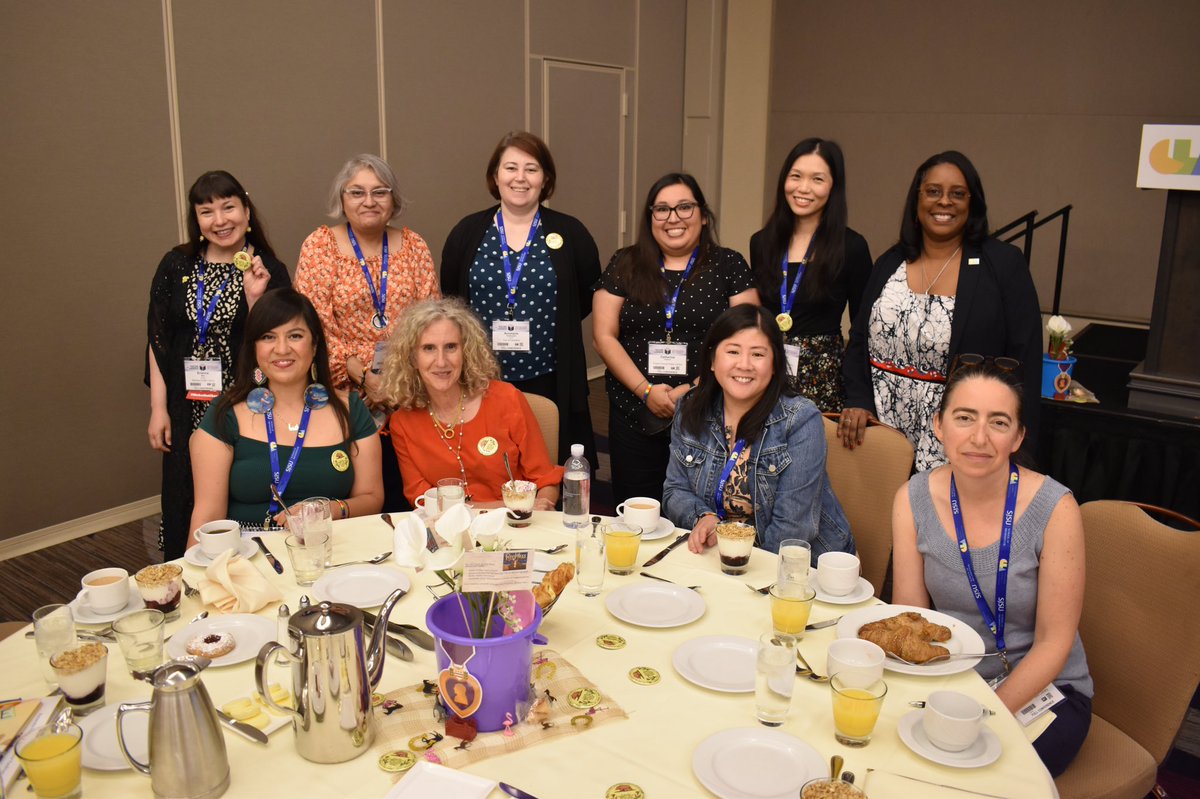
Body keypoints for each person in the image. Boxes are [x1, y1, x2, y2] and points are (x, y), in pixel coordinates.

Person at [891, 359, 1091, 777]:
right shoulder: (912, 498)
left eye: (998, 423)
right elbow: (912, 618)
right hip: (949, 683)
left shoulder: (1056, 508)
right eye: (964, 418)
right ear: (939, 425)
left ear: (1017, 436)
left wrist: (979, 713)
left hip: (1043, 691)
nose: (979, 438)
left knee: (971, 780)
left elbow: (1055, 643)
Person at [840, 151, 1042, 471]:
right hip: (880, 440)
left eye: (957, 193)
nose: (944, 201)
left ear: (972, 203)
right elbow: (859, 341)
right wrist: (858, 401)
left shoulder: (1003, 264)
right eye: (933, 191)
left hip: (962, 447)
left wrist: (1017, 448)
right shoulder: (890, 262)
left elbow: (1026, 362)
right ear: (917, 200)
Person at [146, 170, 290, 559]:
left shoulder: (267, 269)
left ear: (246, 210)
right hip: (185, 402)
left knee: (238, 486)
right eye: (207, 211)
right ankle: (187, 568)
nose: (220, 220)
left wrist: (254, 295)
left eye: (229, 207)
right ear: (197, 219)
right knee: (184, 492)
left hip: (243, 403)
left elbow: (277, 342)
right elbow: (158, 341)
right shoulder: (176, 265)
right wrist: (158, 408)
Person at [593, 173, 758, 505]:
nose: (673, 218)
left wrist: (692, 389)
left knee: (701, 509)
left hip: (707, 410)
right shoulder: (625, 263)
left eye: (684, 207)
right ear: (650, 217)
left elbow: (747, 341)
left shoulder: (729, 265)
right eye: (662, 209)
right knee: (635, 508)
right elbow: (603, 336)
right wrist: (646, 390)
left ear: (703, 214)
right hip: (633, 409)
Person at [440, 131, 601, 468]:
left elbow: (587, 295)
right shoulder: (468, 232)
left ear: (546, 179)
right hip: (480, 373)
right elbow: (451, 296)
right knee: (484, 462)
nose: (520, 178)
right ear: (495, 176)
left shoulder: (570, 233)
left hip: (549, 373)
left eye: (531, 169)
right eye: (510, 167)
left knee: (547, 459)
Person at [294, 154, 439, 510]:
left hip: (409, 388)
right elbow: (314, 324)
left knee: (412, 492)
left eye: (380, 192)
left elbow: (430, 317)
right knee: (355, 493)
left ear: (394, 200)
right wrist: (362, 375)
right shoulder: (320, 245)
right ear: (342, 199)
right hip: (344, 393)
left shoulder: (414, 245)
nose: (369, 201)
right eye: (356, 192)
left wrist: (397, 379)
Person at [188, 288, 383, 542]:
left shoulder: (349, 408)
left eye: (295, 335)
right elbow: (207, 518)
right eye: (268, 337)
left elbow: (372, 498)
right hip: (250, 557)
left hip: (331, 549)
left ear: (314, 346)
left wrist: (327, 511)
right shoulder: (225, 414)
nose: (281, 349)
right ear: (254, 348)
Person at [662, 305, 854, 558]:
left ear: (775, 364)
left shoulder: (800, 419)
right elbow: (674, 490)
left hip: (796, 564)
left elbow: (793, 529)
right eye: (732, 351)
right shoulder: (690, 407)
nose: (744, 365)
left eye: (758, 355)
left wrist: (738, 565)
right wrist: (704, 516)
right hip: (718, 554)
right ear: (712, 360)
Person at [379, 298, 562, 508]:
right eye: (428, 348)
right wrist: (503, 507)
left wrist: (542, 505)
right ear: (412, 358)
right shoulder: (402, 422)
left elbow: (545, 480)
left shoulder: (506, 399)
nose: (441, 361)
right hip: (449, 531)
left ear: (465, 351)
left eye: (451, 347)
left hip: (515, 524)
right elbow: (420, 499)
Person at [749, 138, 872, 411]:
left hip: (823, 382)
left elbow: (863, 329)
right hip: (766, 375)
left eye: (817, 179)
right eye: (796, 176)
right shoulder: (762, 242)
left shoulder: (851, 246)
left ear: (833, 187)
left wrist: (859, 399)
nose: (803, 188)